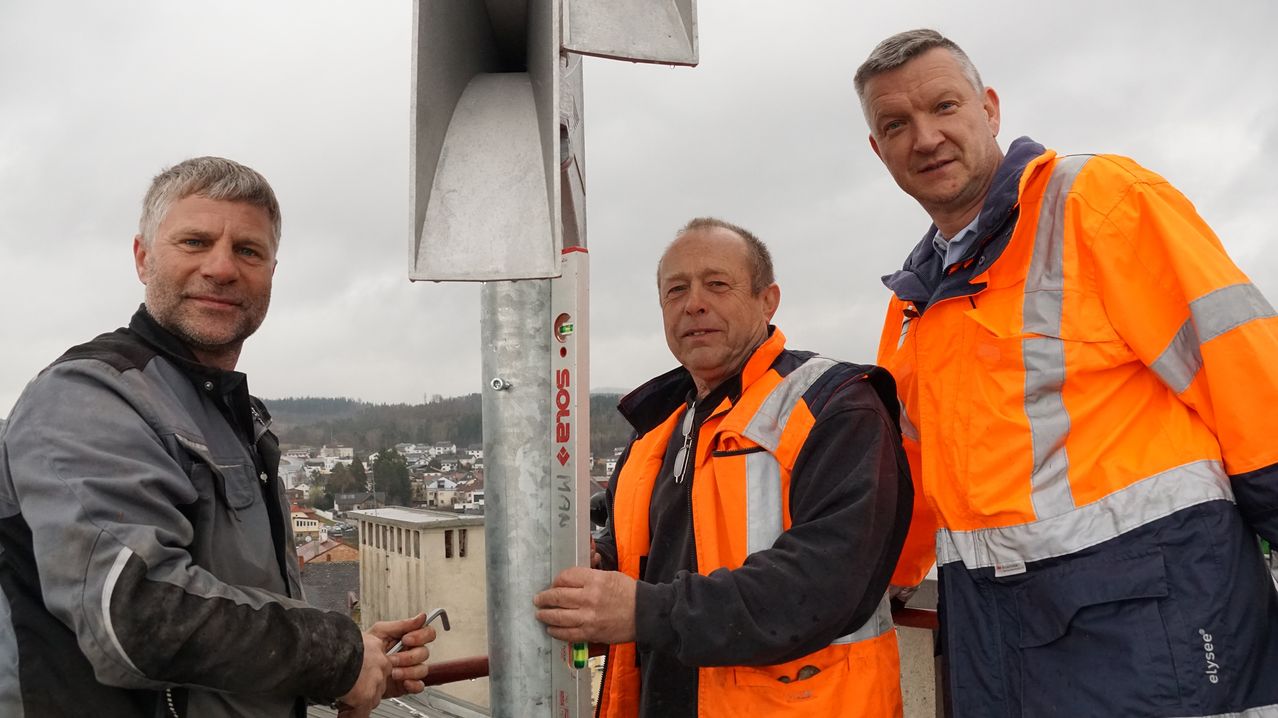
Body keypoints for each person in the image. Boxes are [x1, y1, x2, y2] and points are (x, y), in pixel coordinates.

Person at [856, 29, 1278, 717]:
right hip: (996, 635)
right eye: (896, 124)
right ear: (879, 150)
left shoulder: (1096, 201)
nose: (926, 138)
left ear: (990, 109)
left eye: (944, 106)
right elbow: (916, 472)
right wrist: (870, 587)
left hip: (1153, 627)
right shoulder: (914, 302)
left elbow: (1249, 379)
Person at [0, 157, 436, 717]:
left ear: (272, 272)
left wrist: (356, 665)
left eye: (248, 251)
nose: (222, 268)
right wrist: (336, 657)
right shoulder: (90, 396)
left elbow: (234, 616)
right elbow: (136, 615)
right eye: (195, 242)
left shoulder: (230, 417)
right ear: (142, 258)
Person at [534, 218, 913, 717]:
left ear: (767, 300)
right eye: (676, 290)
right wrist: (602, 561)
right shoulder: (660, 427)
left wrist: (643, 610)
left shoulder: (836, 408)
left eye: (717, 284)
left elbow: (823, 583)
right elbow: (659, 547)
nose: (694, 303)